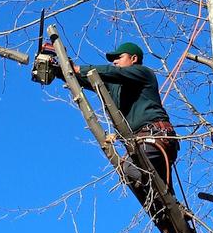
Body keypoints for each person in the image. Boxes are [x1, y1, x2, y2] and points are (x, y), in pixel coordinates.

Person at [60, 42, 179, 190]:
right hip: (141, 143)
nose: (114, 61)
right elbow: (87, 80)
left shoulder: (143, 73)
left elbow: (112, 72)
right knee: (158, 198)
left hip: (155, 136)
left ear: (133, 58)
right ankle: (167, 210)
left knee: (129, 169)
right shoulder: (115, 85)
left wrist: (79, 68)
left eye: (119, 57)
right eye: (113, 60)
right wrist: (60, 70)